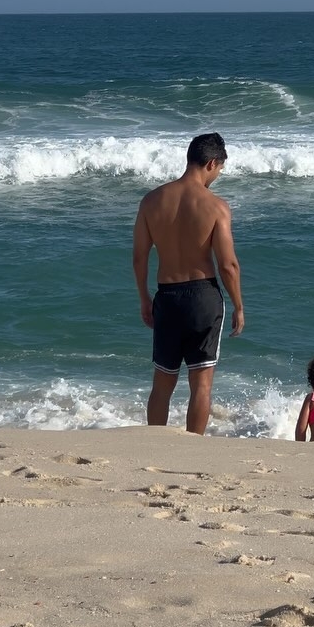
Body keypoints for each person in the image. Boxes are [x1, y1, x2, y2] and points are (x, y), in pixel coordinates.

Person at [132, 132, 244, 434]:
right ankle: (194, 445)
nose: (218, 175)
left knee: (163, 382)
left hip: (166, 296)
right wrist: (238, 306)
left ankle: (155, 441)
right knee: (202, 384)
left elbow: (139, 257)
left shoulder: (151, 201)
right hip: (203, 297)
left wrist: (145, 298)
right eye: (219, 169)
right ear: (211, 163)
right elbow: (228, 265)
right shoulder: (216, 207)